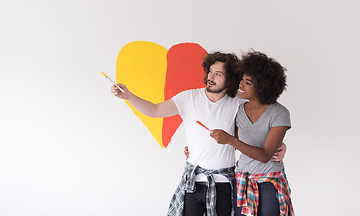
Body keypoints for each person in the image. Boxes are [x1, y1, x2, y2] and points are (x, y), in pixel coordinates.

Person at [111, 52, 286, 216]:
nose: (210, 77)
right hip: (192, 183)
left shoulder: (237, 104)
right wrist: (128, 96)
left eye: (218, 74)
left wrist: (281, 145)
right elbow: (154, 110)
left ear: (230, 79)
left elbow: (257, 125)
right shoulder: (188, 98)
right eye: (210, 71)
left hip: (224, 185)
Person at [209, 50, 294, 216]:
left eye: (247, 82)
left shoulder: (279, 113)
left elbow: (265, 155)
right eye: (242, 79)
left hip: (269, 183)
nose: (240, 84)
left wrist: (231, 140)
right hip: (242, 181)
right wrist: (194, 151)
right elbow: (226, 145)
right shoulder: (238, 109)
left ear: (262, 87)